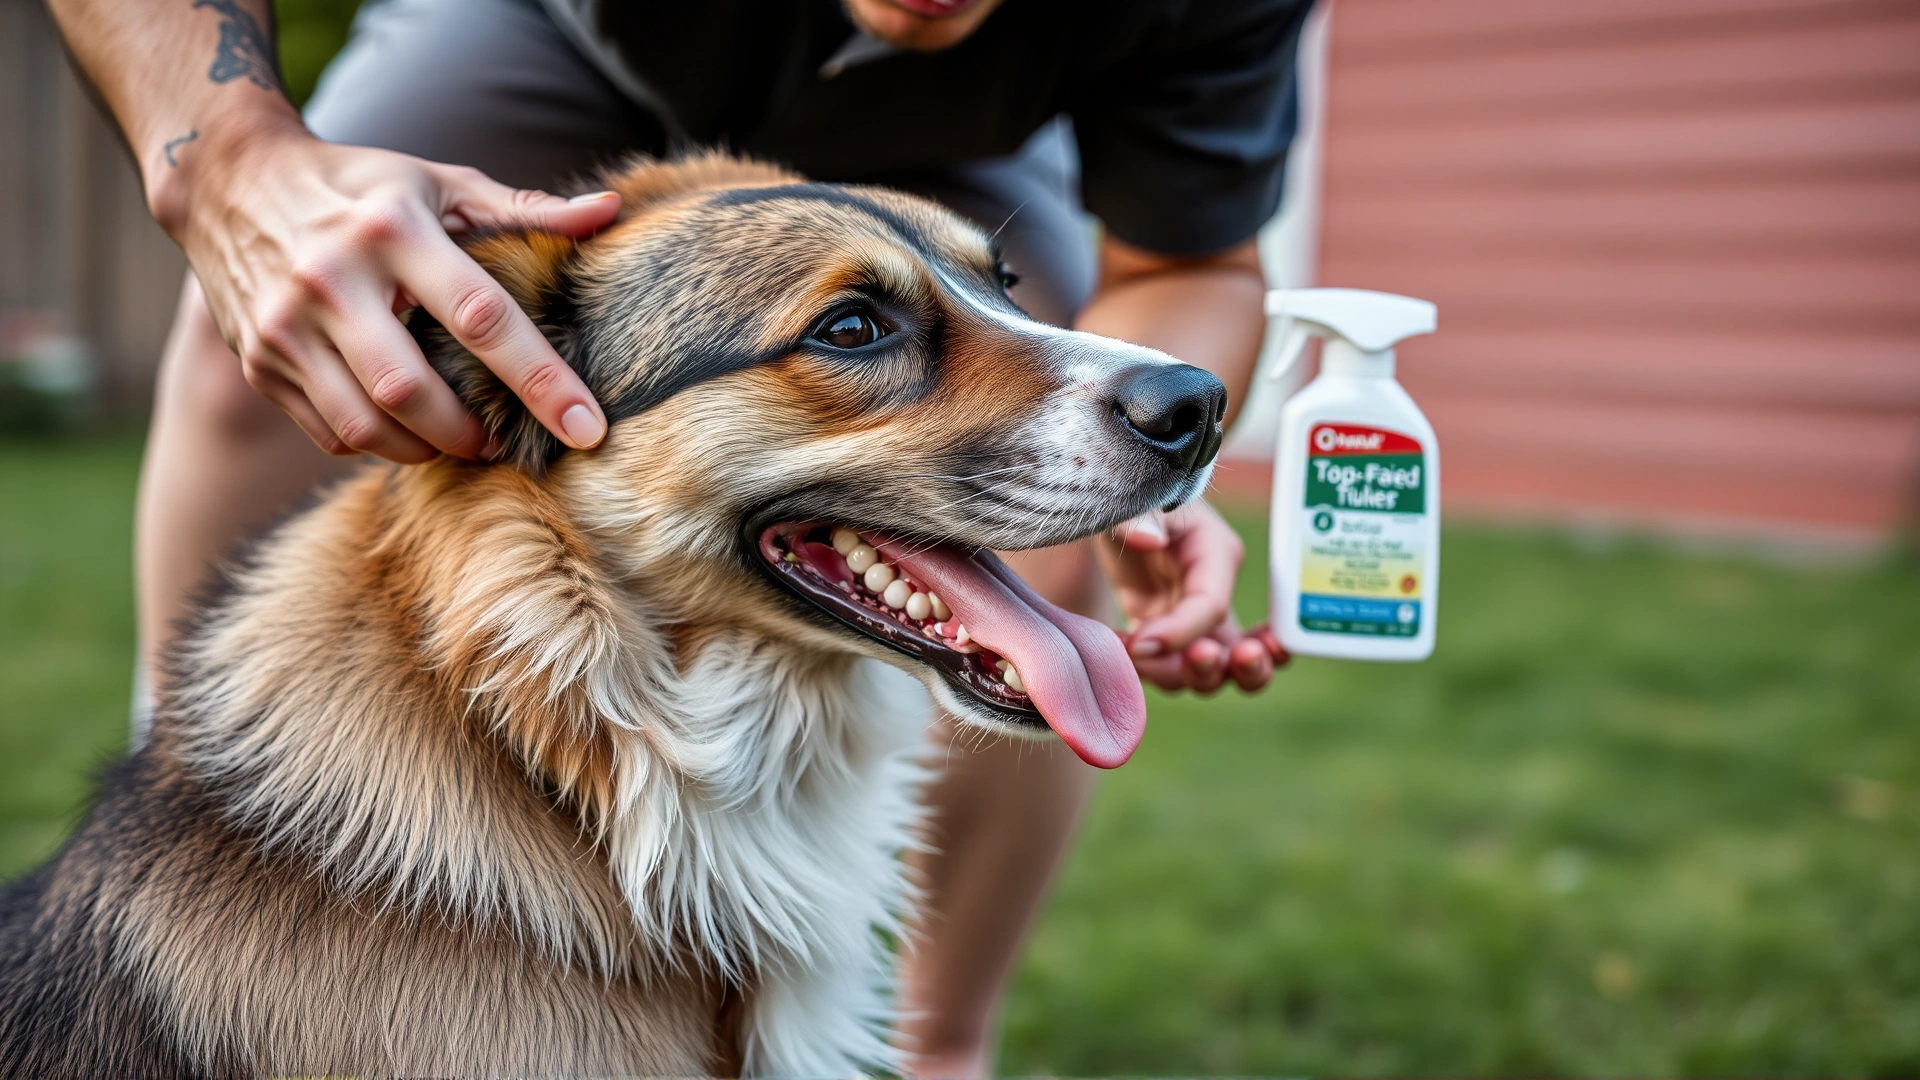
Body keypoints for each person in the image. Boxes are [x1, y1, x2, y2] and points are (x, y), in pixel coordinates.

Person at [47, 0, 1309, 1072]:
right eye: (858, 335)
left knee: (1042, 517)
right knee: (275, 340)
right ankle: (205, 828)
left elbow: (1191, 261)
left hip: (956, 123)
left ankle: (936, 1049)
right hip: (554, 18)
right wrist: (228, 160)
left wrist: (1151, 484)